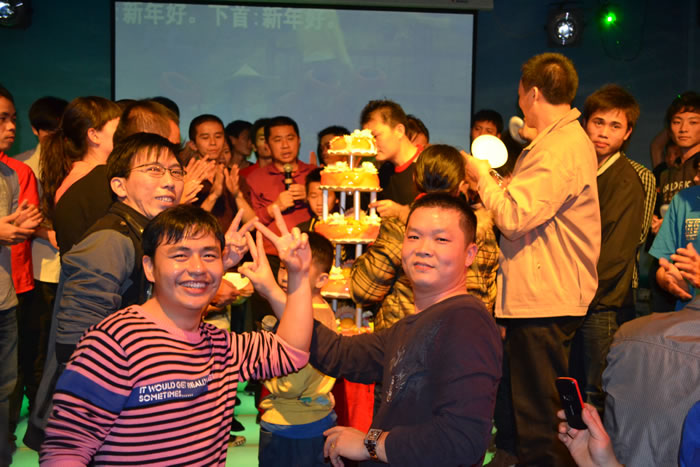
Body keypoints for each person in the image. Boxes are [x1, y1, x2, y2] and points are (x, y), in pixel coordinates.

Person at [40, 204, 314, 466]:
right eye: (180, 255)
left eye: (209, 256)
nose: (197, 268)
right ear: (149, 267)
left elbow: (292, 352)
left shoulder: (221, 346)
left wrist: (299, 276)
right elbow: (66, 449)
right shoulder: (114, 342)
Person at [465, 52, 601, 465]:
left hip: (546, 297)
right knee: (531, 412)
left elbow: (513, 218)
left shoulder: (558, 147)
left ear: (534, 93)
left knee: (540, 420)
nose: (520, 103)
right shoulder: (557, 142)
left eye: (521, 94)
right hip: (545, 294)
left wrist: (481, 177)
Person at [25, 133, 186, 451]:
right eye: (154, 170)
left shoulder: (147, 235)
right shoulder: (111, 240)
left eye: (176, 171)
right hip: (89, 416)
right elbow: (77, 346)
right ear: (119, 185)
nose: (169, 181)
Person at [351, 144, 498, 331]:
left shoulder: (402, 229)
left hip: (408, 338)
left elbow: (364, 290)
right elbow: (488, 294)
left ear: (414, 179)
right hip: (467, 334)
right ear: (461, 184)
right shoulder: (483, 230)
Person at [570, 84, 645, 413]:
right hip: (575, 298)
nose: (603, 132)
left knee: (596, 391)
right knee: (573, 385)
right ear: (585, 123)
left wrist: (580, 295)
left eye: (615, 126)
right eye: (598, 122)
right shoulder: (580, 169)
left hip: (602, 304)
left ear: (627, 133)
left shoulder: (626, 180)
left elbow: (617, 255)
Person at [245, 231, 338, 467]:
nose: (287, 275)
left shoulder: (310, 318)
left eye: (299, 269)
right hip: (311, 419)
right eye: (284, 267)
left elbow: (290, 386)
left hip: (292, 425)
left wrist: (261, 372)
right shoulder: (320, 311)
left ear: (322, 280)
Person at [0, 84, 42, 466]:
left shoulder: (14, 173)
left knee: (7, 385)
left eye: (13, 119)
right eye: (2, 119)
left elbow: (20, 225)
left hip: (7, 294)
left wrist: (22, 226)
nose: (11, 127)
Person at [41, 96, 122, 256]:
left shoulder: (77, 174)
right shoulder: (94, 179)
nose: (124, 135)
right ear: (94, 135)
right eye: (119, 129)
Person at [360, 99, 422, 221]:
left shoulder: (430, 166)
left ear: (399, 131)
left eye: (375, 136)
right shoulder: (383, 173)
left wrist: (401, 212)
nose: (371, 144)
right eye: (367, 139)